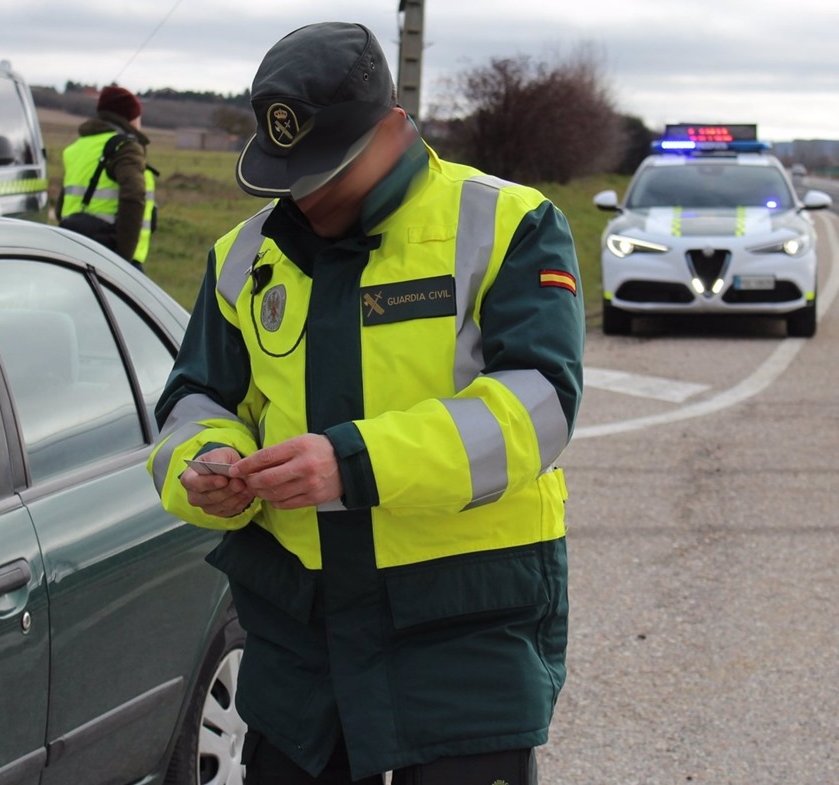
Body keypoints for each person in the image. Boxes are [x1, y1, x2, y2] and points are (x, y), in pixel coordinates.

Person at [146, 20, 584, 785]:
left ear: (393, 126)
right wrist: (206, 462)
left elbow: (539, 404)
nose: (307, 192)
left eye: (328, 168)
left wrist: (353, 464)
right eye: (290, 171)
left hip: (464, 635)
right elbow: (194, 399)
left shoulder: (508, 224)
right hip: (300, 648)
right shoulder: (243, 259)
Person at [56, 84, 156, 269]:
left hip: (72, 247)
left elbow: (60, 206)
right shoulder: (125, 147)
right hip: (110, 254)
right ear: (130, 118)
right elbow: (134, 196)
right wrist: (123, 260)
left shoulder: (77, 147)